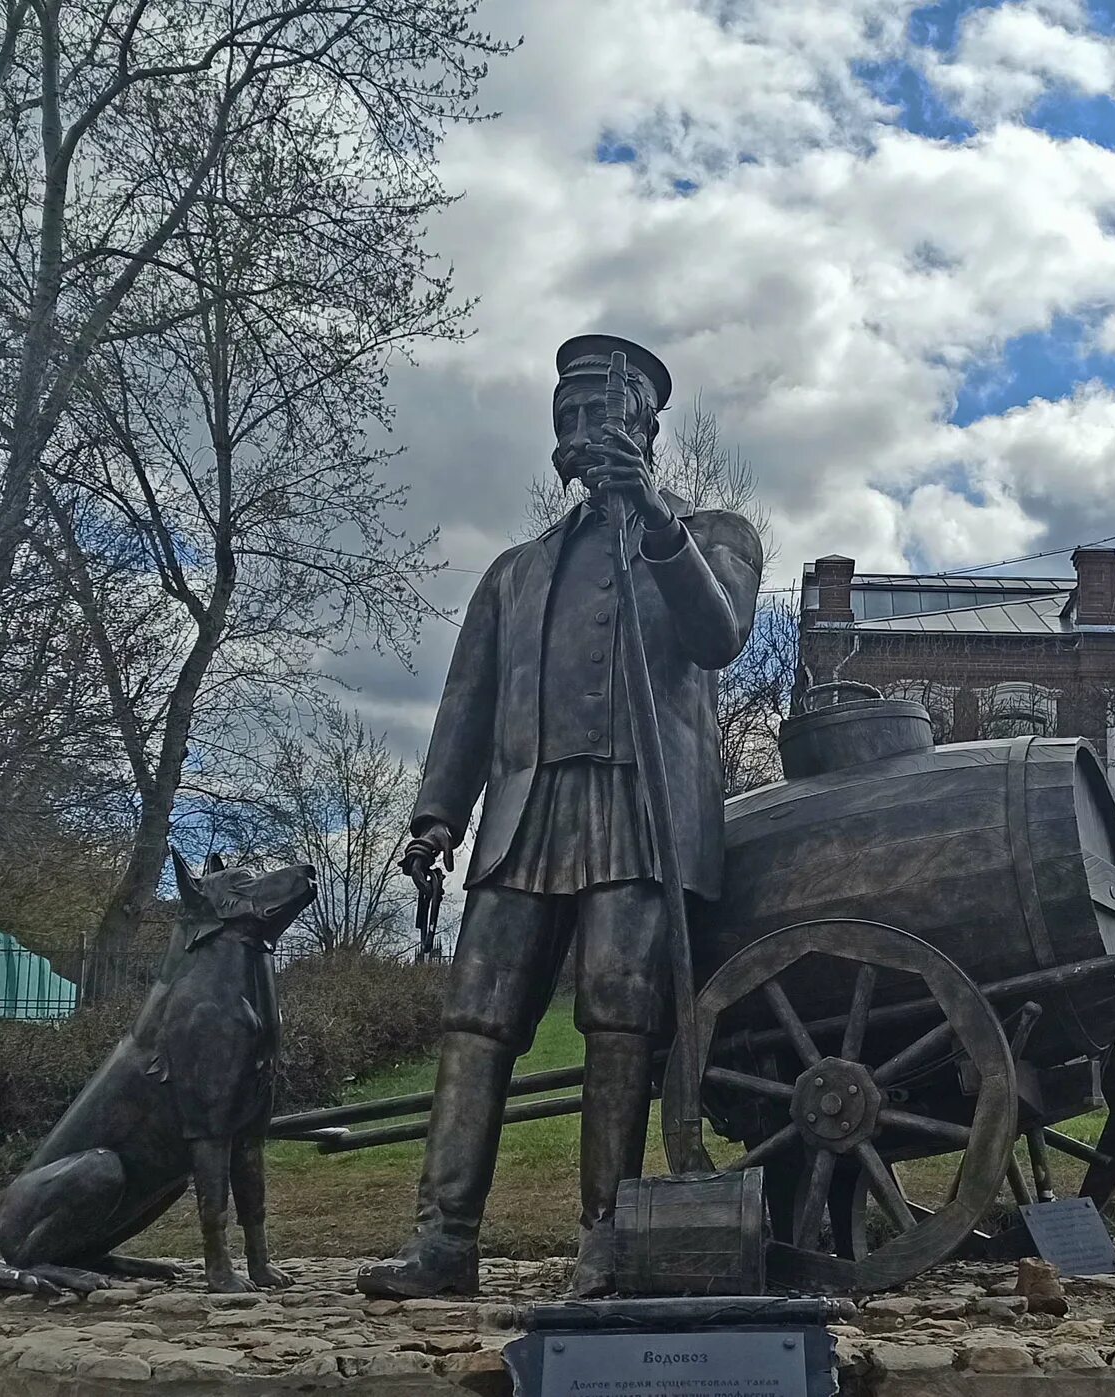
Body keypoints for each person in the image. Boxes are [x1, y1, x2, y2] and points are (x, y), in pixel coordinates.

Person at [358, 335, 762, 1299]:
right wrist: (435, 816)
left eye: (602, 414)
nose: (583, 433)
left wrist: (653, 519)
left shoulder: (711, 534)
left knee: (621, 1016)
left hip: (642, 807)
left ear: (645, 427)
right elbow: (467, 703)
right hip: (526, 812)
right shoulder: (516, 570)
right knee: (475, 1020)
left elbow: (719, 636)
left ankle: (607, 1240)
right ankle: (444, 1239)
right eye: (568, 418)